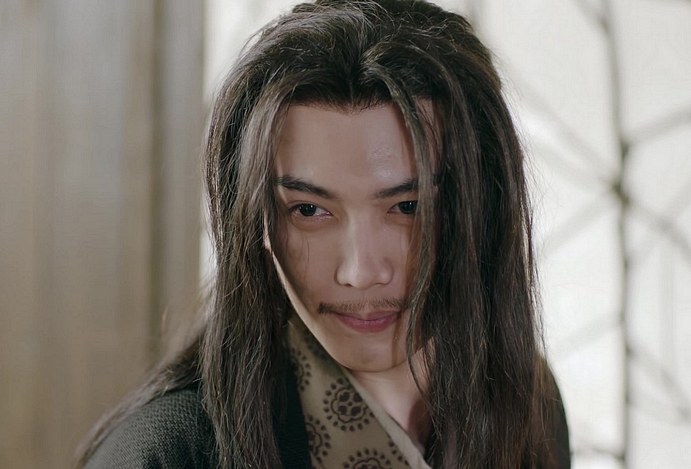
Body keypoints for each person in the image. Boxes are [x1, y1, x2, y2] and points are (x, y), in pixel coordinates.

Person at [76, 0, 570, 467]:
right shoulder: (169, 454)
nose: (360, 272)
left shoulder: (524, 399)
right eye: (309, 210)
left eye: (409, 207)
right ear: (256, 220)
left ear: (485, 206)